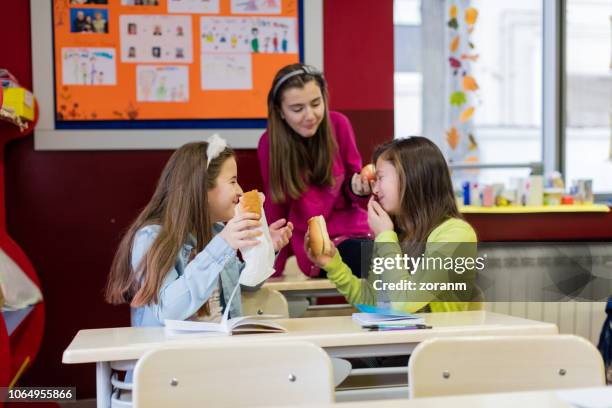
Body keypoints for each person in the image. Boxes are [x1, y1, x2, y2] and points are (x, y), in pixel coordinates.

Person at [105, 137, 293, 327]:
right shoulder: (151, 238)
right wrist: (223, 245)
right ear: (202, 188)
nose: (240, 191)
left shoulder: (216, 232)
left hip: (220, 348)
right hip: (172, 353)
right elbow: (168, 310)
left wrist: (267, 248)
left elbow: (245, 285)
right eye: (233, 181)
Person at [307, 137, 482, 313]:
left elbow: (403, 305)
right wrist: (332, 264)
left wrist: (385, 237)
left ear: (413, 177)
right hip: (406, 339)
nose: (374, 190)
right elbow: (372, 302)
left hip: (440, 339)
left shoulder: (456, 234)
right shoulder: (395, 234)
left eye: (380, 178)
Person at [258, 64, 371, 277]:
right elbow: (276, 211)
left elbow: (355, 194)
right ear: (280, 111)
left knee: (409, 254)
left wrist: (358, 188)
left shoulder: (339, 124)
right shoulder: (269, 144)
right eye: (297, 109)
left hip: (362, 231)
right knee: (385, 262)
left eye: (316, 104)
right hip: (319, 246)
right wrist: (272, 269)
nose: (310, 115)